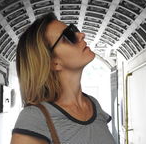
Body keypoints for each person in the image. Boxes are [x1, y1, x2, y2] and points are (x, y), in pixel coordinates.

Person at [11, 12, 115, 144]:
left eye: (74, 30)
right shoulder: (34, 118)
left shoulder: (93, 104)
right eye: (68, 36)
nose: (81, 35)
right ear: (53, 62)